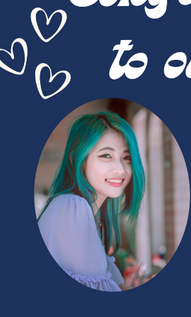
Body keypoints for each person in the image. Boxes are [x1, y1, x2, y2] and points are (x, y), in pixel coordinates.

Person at [37, 110, 146, 292]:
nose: (120, 169)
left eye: (126, 158)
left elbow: (117, 287)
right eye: (106, 156)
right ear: (78, 161)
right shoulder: (72, 208)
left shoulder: (88, 214)